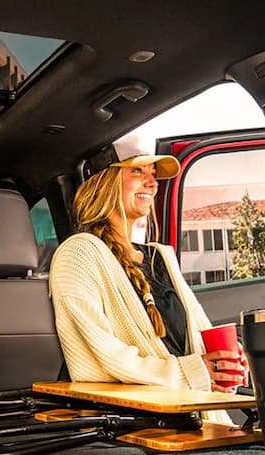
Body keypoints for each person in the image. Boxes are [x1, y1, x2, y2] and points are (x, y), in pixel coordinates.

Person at [49, 137, 248, 401]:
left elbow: (198, 338)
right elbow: (97, 360)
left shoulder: (161, 256)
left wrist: (223, 363)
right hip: (140, 417)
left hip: (192, 410)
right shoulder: (78, 253)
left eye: (153, 174)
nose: (153, 183)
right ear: (104, 181)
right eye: (137, 171)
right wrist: (192, 373)